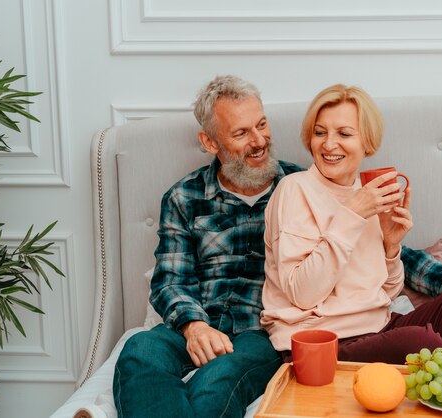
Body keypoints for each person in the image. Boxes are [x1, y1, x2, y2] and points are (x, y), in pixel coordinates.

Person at [261, 83, 442, 366]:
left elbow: (386, 294)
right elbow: (302, 294)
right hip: (320, 345)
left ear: (367, 142)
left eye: (344, 133)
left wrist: (390, 246)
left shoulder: (369, 194)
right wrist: (351, 215)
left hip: (380, 328)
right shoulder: (294, 190)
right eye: (320, 133)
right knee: (420, 343)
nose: (329, 144)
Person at [112, 75, 302, 418]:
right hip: (194, 324)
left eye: (261, 124)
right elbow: (170, 278)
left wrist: (417, 263)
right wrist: (194, 326)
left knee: (217, 379)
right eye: (241, 133)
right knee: (139, 351)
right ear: (209, 141)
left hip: (257, 335)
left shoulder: (302, 189)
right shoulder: (184, 197)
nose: (259, 141)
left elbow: (365, 239)